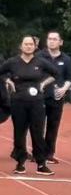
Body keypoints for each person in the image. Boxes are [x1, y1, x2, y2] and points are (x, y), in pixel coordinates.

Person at [0, 35, 59, 174]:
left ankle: (41, 164)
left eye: (31, 44)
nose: (28, 46)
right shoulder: (12, 62)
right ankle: (20, 162)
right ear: (21, 46)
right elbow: (1, 72)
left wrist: (43, 84)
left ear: (35, 46)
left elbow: (55, 73)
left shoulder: (41, 62)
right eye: (25, 44)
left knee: (37, 132)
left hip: (37, 102)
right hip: (18, 101)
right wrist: (8, 81)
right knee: (19, 132)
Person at [37, 30, 71, 164]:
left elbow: (69, 78)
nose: (51, 41)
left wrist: (64, 89)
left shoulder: (66, 59)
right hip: (40, 96)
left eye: (54, 39)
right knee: (38, 125)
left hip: (57, 97)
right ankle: (37, 151)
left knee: (53, 125)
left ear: (61, 42)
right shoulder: (39, 56)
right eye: (49, 39)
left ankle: (49, 153)